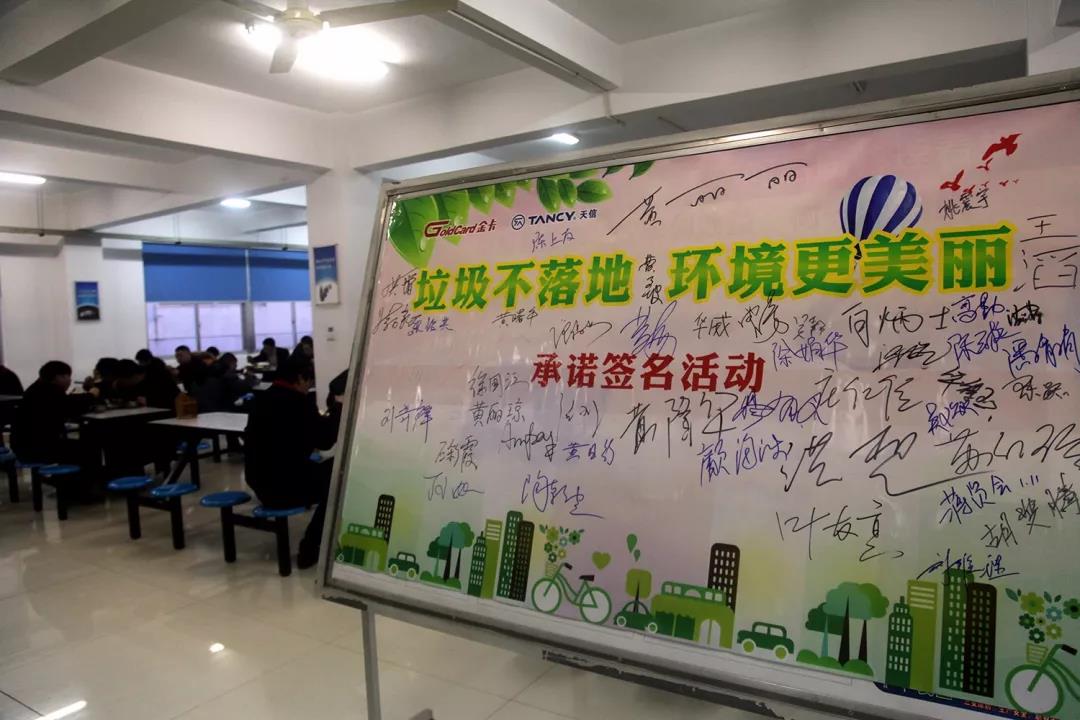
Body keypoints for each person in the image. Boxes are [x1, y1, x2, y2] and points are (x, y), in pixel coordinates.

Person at [245, 358, 340, 568]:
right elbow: (324, 441)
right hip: (286, 487)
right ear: (300, 378)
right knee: (340, 478)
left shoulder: (262, 399)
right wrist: (338, 410)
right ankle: (311, 545)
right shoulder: (298, 403)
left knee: (328, 471)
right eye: (309, 382)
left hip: (260, 484)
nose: (309, 387)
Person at [11, 361, 94, 465]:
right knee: (88, 448)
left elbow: (65, 403)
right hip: (37, 448)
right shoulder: (49, 391)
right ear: (59, 377)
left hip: (24, 446)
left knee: (78, 446)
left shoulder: (37, 388)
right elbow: (69, 407)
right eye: (68, 376)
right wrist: (91, 395)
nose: (70, 380)